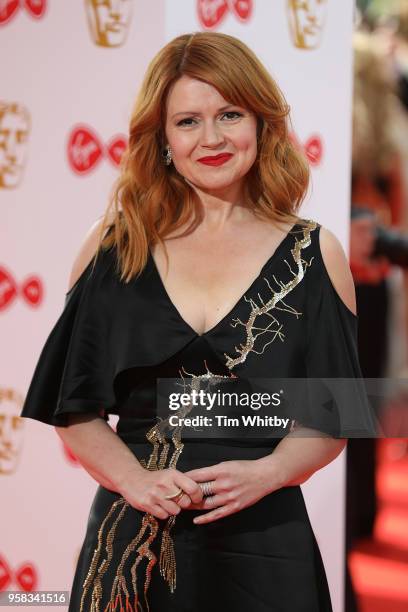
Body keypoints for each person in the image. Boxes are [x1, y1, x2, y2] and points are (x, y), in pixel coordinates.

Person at [21, 31, 367, 612]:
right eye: (187, 121)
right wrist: (134, 480)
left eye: (229, 114)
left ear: (260, 123)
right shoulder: (115, 248)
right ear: (161, 139)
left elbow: (334, 415)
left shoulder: (314, 254)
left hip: (265, 544)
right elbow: (72, 407)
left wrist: (271, 471)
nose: (211, 139)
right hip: (134, 545)